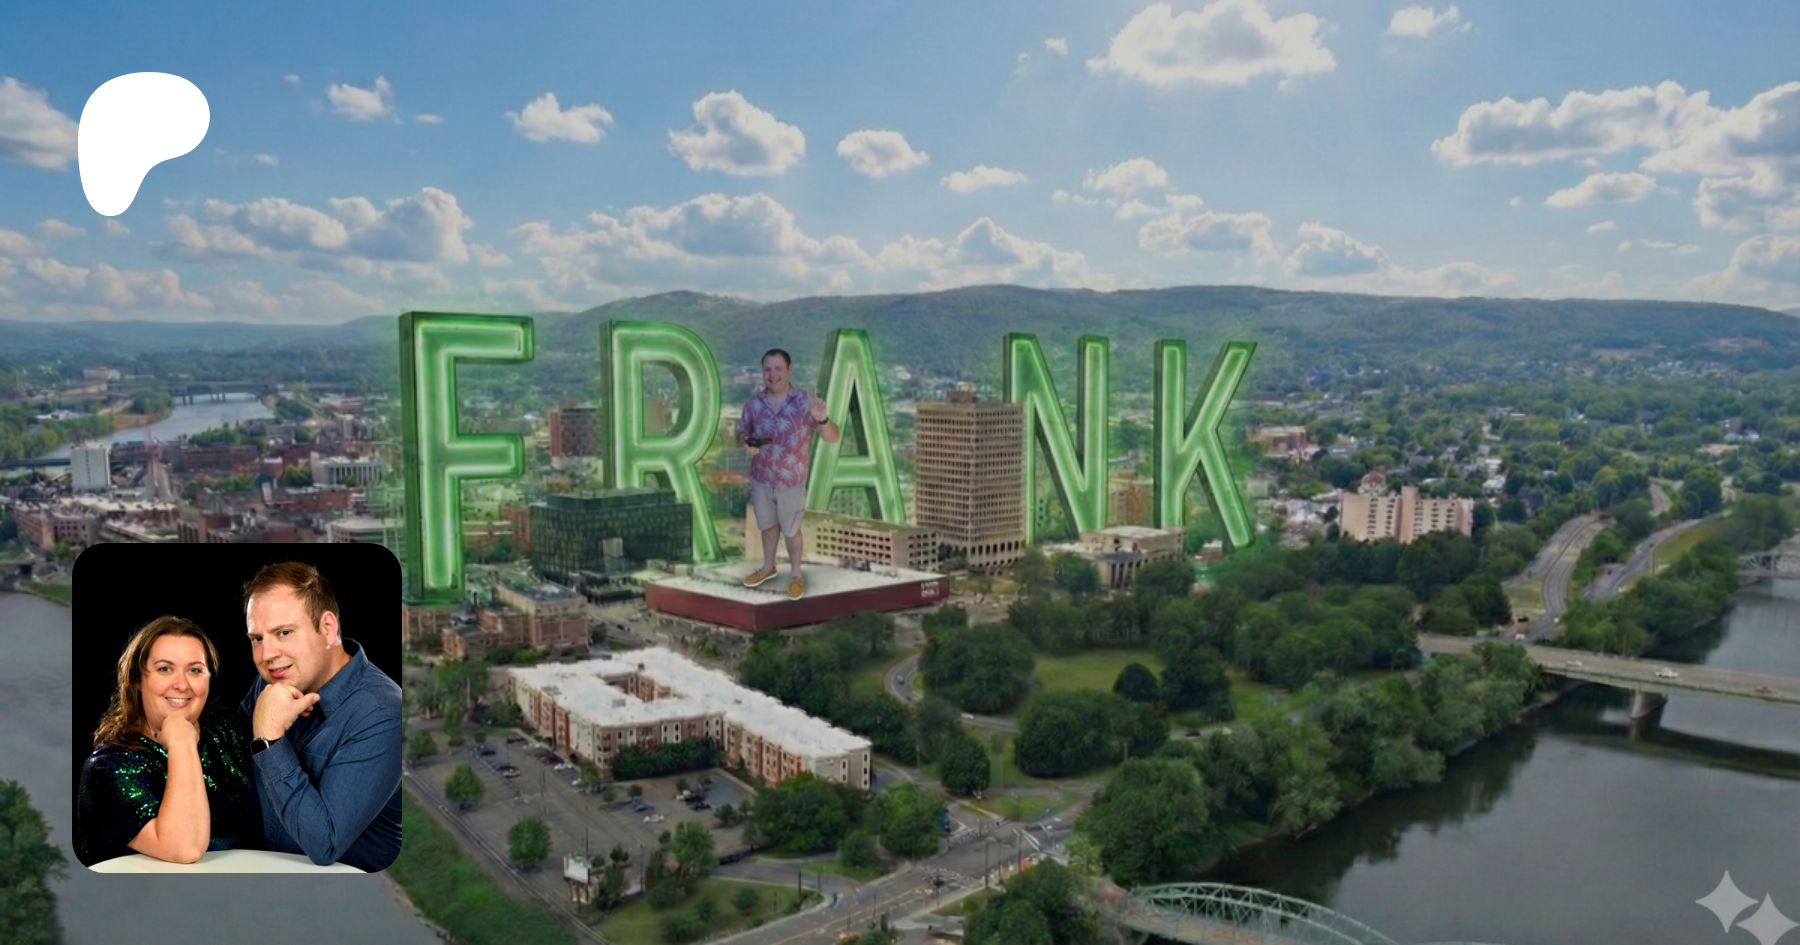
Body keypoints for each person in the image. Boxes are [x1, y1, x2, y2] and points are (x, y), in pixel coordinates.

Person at [239, 561, 402, 871]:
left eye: (283, 632)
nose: (266, 655)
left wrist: (269, 740)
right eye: (257, 639)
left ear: (328, 628)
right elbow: (232, 776)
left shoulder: (383, 714)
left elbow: (324, 844)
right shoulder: (272, 681)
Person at [77, 616, 261, 866]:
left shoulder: (226, 729)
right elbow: (184, 849)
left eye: (195, 670)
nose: (182, 685)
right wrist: (181, 743)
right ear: (137, 679)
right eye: (165, 669)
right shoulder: (107, 768)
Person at [737, 347, 840, 599]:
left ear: (789, 370)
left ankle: (795, 575)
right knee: (767, 526)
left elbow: (832, 437)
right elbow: (742, 432)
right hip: (761, 478)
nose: (772, 374)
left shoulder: (805, 402)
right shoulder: (753, 404)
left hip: (791, 481)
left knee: (791, 530)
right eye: (768, 369)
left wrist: (823, 419)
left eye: (778, 369)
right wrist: (745, 442)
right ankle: (768, 567)